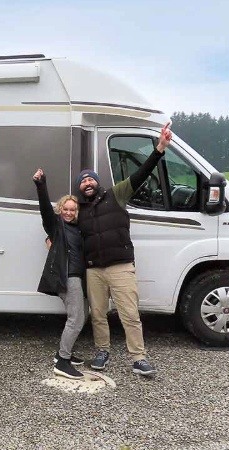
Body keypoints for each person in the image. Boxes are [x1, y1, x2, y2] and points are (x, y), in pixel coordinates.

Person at [77, 121, 173, 377]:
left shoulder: (117, 194)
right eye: (83, 181)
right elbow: (60, 224)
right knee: (97, 314)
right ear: (79, 188)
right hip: (94, 270)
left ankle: (138, 357)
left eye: (90, 179)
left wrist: (160, 149)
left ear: (97, 183)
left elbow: (142, 174)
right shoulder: (79, 210)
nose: (87, 182)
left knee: (129, 314)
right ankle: (102, 350)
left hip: (120, 266)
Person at [32, 170, 87, 380]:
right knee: (76, 318)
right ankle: (63, 362)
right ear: (60, 209)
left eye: (73, 209)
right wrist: (41, 184)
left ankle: (62, 354)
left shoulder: (77, 228)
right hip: (68, 277)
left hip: (79, 277)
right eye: (65, 209)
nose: (69, 212)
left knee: (82, 316)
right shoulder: (56, 226)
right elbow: (45, 209)